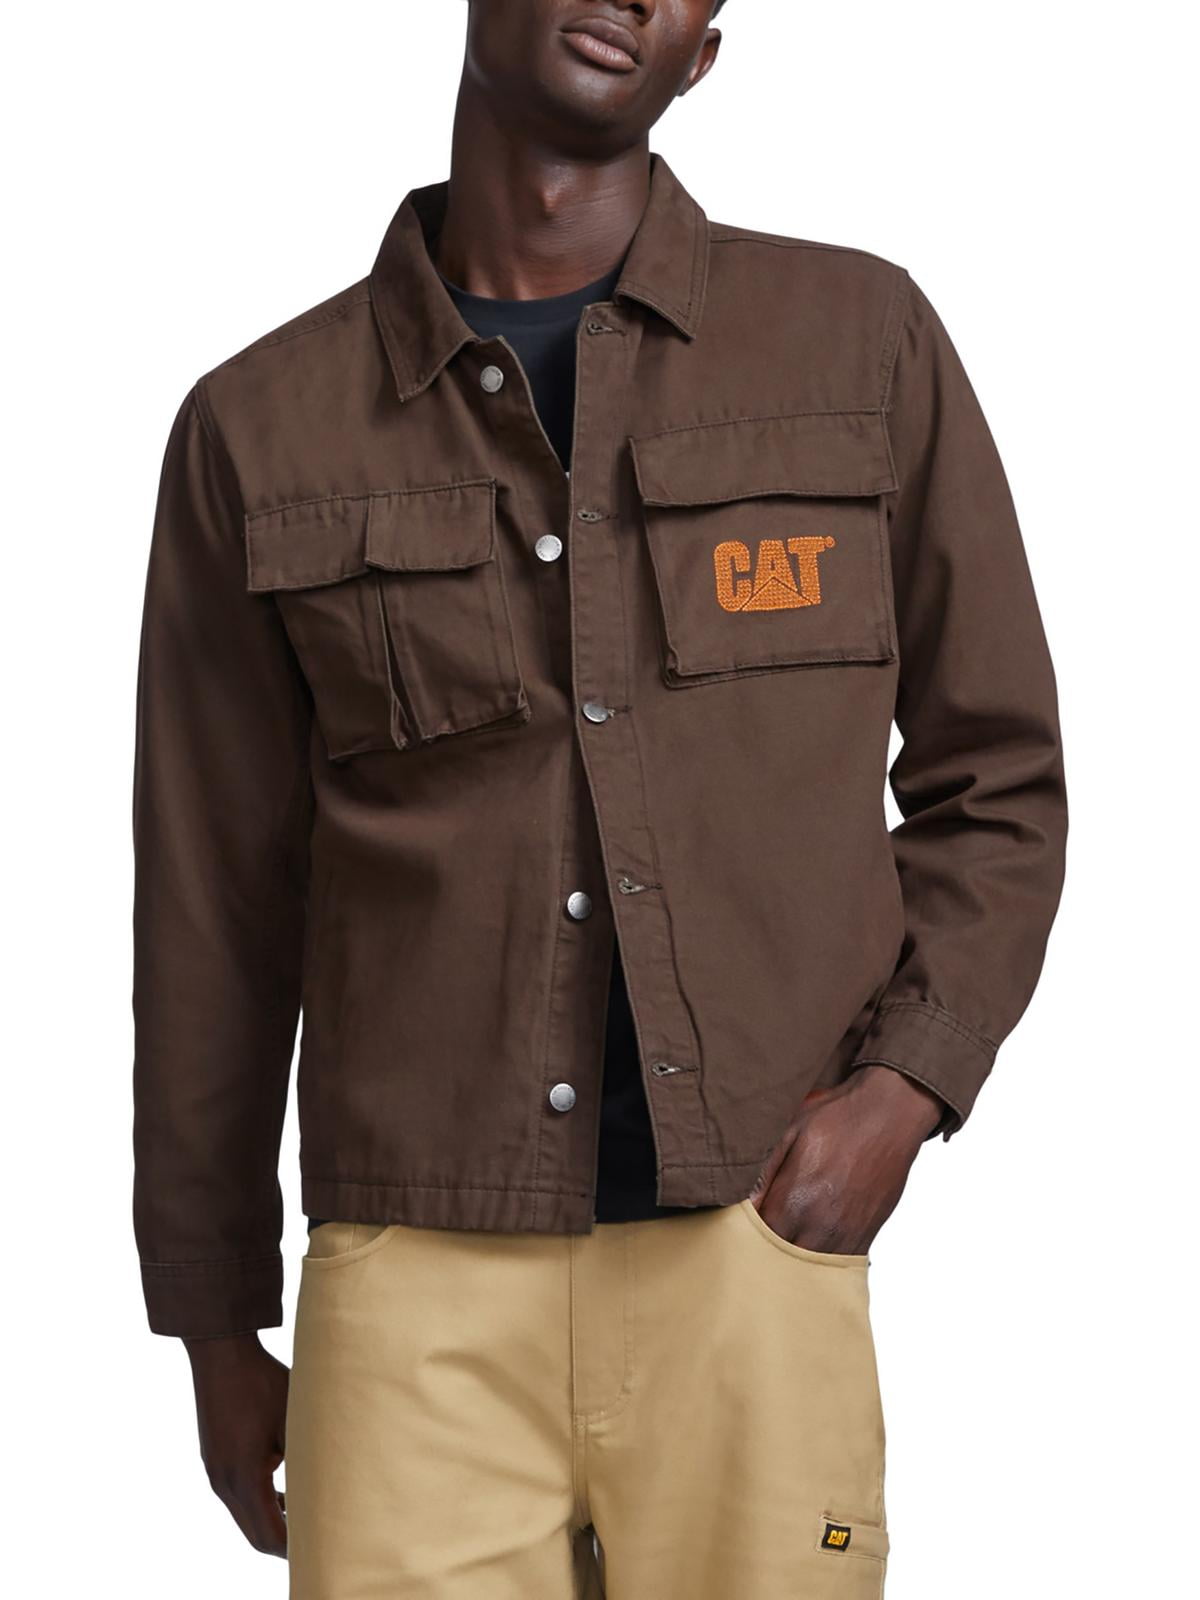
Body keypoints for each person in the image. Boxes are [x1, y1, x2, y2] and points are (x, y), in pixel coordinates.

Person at [131, 1, 1067, 1594]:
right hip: (411, 1293)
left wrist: (901, 1096)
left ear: (703, 53)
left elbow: (1002, 779)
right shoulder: (260, 425)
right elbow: (211, 904)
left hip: (756, 1253)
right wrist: (215, 1316)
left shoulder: (860, 343)